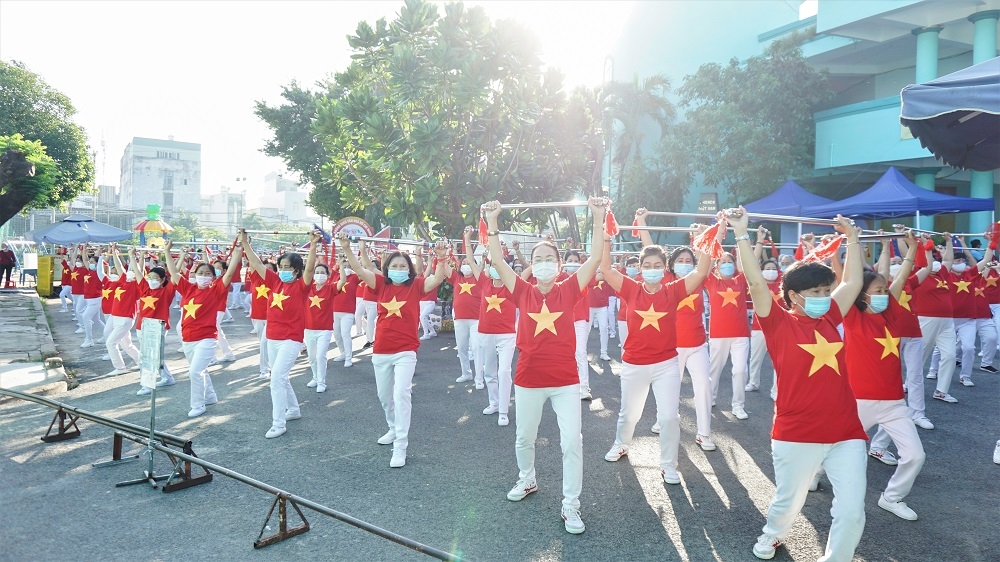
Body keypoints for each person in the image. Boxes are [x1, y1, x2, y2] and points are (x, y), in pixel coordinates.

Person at [730, 207, 869, 562]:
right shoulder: (778, 322)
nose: (825, 295)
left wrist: (852, 239)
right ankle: (773, 535)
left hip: (845, 432)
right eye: (816, 291)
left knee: (852, 512)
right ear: (793, 296)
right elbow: (756, 283)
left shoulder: (831, 314)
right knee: (788, 501)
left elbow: (853, 283)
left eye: (826, 289)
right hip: (795, 432)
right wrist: (743, 235)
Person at [482, 197, 607, 536]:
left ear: (558, 263)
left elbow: (595, 258)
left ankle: (571, 505)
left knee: (571, 442)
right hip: (528, 378)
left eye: (549, 258)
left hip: (566, 379)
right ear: (531, 264)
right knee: (525, 438)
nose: (544, 263)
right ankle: (527, 479)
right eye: (538, 259)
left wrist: (598, 217)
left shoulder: (569, 290)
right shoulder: (521, 290)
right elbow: (496, 258)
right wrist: (492, 221)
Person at [599, 227, 711, 485]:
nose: (652, 269)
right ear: (641, 268)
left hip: (666, 364)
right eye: (647, 265)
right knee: (629, 415)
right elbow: (606, 269)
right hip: (634, 364)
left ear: (664, 268)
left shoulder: (673, 290)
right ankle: (621, 444)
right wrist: (606, 237)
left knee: (669, 417)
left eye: (657, 265)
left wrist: (707, 239)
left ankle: (668, 465)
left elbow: (701, 271)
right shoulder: (631, 289)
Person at [338, 234, 449, 468]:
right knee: (384, 396)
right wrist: (348, 248)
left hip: (406, 351)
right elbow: (359, 268)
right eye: (395, 266)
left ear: (409, 270)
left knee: (401, 394)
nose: (399, 269)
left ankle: (401, 445)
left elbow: (438, 277)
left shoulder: (417, 285)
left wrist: (441, 258)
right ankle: (392, 427)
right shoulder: (380, 284)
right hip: (381, 350)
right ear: (388, 269)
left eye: (403, 266)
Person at [843, 231, 926, 521]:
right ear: (861, 294)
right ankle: (814, 474)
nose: (883, 295)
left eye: (883, 290)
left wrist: (912, 250)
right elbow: (848, 278)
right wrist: (852, 241)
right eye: (876, 291)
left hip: (893, 402)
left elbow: (900, 278)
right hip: (859, 401)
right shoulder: (852, 317)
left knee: (916, 455)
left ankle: (891, 497)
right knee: (834, 447)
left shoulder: (890, 313)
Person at [634, 210, 715, 450]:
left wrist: (703, 236)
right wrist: (641, 222)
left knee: (703, 386)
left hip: (698, 344)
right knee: (669, 390)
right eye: (679, 261)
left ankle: (704, 433)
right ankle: (663, 421)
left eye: (688, 260)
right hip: (673, 347)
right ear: (670, 266)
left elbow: (705, 259)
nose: (684, 264)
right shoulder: (667, 280)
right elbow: (650, 249)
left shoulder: (698, 279)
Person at [241, 230, 319, 438]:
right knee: (281, 377)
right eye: (281, 267)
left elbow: (310, 268)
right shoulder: (274, 281)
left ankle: (278, 423)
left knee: (276, 378)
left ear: (296, 270)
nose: (284, 270)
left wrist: (312, 246)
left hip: (291, 339)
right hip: (272, 337)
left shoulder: (302, 286)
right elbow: (257, 264)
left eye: (288, 268)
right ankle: (293, 409)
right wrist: (245, 244)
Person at [165, 240, 242, 419]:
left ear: (213, 276)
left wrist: (238, 252)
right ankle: (211, 396)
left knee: (194, 372)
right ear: (195, 274)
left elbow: (229, 273)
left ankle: (198, 404)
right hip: (188, 338)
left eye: (208, 273)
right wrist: (167, 252)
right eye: (200, 273)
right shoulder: (188, 288)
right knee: (199, 369)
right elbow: (174, 273)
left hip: (207, 338)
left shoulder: (215, 290)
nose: (204, 276)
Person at [465, 229, 517, 425]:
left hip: (506, 336)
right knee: (489, 371)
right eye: (493, 264)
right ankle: (494, 403)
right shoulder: (484, 282)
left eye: (499, 265)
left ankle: (504, 410)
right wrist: (468, 240)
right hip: (486, 333)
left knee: (504, 371)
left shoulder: (513, 285)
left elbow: (528, 270)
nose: (495, 267)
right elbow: (470, 261)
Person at [706, 245, 751, 420]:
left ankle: (738, 405)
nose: (726, 264)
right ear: (716, 267)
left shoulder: (740, 280)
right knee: (714, 370)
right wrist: (716, 240)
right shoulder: (711, 281)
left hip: (740, 333)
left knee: (740, 370)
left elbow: (744, 264)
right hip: (718, 334)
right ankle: (710, 398)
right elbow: (706, 264)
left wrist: (740, 245)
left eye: (729, 261)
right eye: (722, 262)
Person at [131, 247, 177, 394]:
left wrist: (172, 254)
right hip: (142, 326)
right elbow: (138, 272)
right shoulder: (145, 288)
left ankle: (147, 385)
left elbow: (176, 273)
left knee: (148, 356)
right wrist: (133, 257)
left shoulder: (167, 291)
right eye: (149, 277)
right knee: (154, 356)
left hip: (158, 327)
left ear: (163, 279)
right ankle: (167, 378)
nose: (151, 280)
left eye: (155, 278)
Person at [450, 228, 484, 386]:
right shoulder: (456, 278)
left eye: (468, 263)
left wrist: (467, 238)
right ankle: (466, 373)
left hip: (476, 320)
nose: (465, 266)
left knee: (477, 349)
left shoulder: (479, 278)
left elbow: (472, 260)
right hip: (459, 320)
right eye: (462, 264)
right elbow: (444, 268)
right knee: (462, 348)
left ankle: (479, 378)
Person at [102, 246, 141, 378]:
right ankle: (141, 361)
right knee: (126, 344)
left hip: (125, 319)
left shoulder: (137, 286)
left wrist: (135, 257)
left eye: (132, 274)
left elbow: (138, 270)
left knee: (111, 343)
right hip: (115, 316)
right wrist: (113, 253)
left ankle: (120, 367)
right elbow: (119, 267)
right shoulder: (122, 282)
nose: (128, 274)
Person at [303, 261, 336, 393]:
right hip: (309, 328)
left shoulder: (331, 289)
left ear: (327, 275)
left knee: (320, 355)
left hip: (325, 329)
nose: (319, 275)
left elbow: (342, 281)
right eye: (317, 273)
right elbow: (306, 272)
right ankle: (315, 378)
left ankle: (322, 382)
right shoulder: (307, 288)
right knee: (312, 356)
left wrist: (340, 265)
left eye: (322, 273)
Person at [333, 256, 359, 368]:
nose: (346, 268)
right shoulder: (335, 275)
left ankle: (349, 358)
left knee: (345, 334)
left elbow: (362, 270)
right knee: (337, 335)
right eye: (344, 266)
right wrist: (339, 262)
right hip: (334, 311)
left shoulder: (355, 277)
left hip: (348, 311)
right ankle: (343, 353)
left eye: (349, 266)